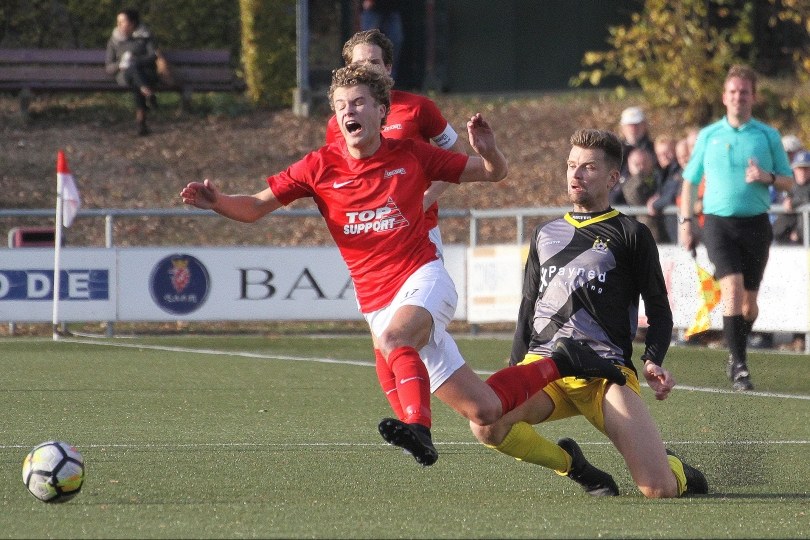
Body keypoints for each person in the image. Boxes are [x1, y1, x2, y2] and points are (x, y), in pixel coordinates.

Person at [180, 64, 626, 467]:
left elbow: (493, 174)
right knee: (487, 412)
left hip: (424, 279)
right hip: (377, 302)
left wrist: (489, 151)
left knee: (395, 338)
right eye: (340, 106)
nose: (347, 112)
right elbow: (256, 207)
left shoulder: (411, 155)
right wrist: (217, 202)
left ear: (380, 110)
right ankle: (562, 362)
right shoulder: (318, 166)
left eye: (357, 103)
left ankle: (419, 429)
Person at [470, 128, 708, 498]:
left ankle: (675, 468)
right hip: (546, 366)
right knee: (486, 422)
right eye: (571, 166)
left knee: (658, 489)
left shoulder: (630, 233)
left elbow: (659, 309)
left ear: (613, 177)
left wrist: (652, 360)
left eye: (588, 168)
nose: (575, 175)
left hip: (604, 373)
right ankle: (573, 465)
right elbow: (528, 306)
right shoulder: (544, 233)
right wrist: (517, 364)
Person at [678, 64, 794, 391]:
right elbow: (689, 182)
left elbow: (788, 182)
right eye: (732, 92)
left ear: (753, 97)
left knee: (749, 304)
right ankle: (740, 365)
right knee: (731, 287)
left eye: (744, 92)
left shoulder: (767, 135)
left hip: (756, 225)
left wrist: (767, 178)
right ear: (724, 97)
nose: (738, 98)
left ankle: (736, 353)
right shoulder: (710, 135)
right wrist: (686, 221)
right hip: (718, 223)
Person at [326, 29, 466, 260]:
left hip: (419, 229)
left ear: (388, 67)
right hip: (370, 235)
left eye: (374, 62)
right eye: (359, 63)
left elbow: (457, 153)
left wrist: (426, 198)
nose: (367, 69)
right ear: (348, 69)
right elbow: (337, 179)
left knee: (424, 295)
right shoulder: (338, 123)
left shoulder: (418, 107)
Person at [105, 8, 159, 136]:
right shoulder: (114, 41)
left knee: (137, 81)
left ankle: (142, 123)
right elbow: (108, 67)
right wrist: (121, 64)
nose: (119, 25)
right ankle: (146, 97)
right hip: (124, 75)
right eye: (118, 22)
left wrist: (135, 61)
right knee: (132, 72)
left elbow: (153, 56)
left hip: (146, 73)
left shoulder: (145, 36)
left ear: (132, 23)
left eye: (122, 22)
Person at [620, 147, 665, 242]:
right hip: (640, 233)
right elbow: (634, 197)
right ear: (629, 165)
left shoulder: (661, 176)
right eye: (636, 164)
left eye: (644, 163)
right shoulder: (627, 183)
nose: (641, 167)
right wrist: (639, 177)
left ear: (652, 162)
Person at [360, 0, 404, 80]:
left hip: (392, 9)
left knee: (394, 46)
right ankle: (367, 81)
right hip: (373, 11)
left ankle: (389, 83)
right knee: (368, 47)